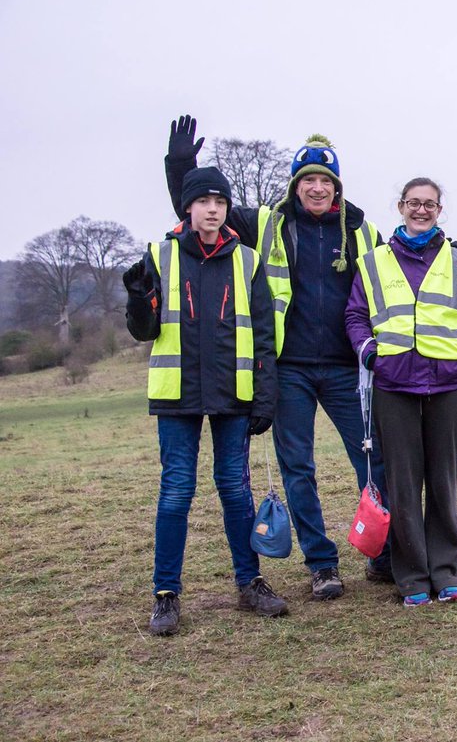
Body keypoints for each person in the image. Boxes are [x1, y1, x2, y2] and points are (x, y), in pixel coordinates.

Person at [164, 116, 387, 600]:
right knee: (298, 467)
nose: (317, 187)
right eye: (308, 179)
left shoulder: (363, 231)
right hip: (290, 369)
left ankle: (381, 552)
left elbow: (394, 279)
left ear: (338, 187)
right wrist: (182, 167)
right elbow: (200, 212)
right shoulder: (265, 222)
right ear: (294, 184)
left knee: (373, 460)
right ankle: (322, 564)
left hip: (349, 370)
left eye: (326, 180)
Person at [124, 166, 286, 636]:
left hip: (234, 396)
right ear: (188, 207)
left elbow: (262, 334)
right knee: (176, 491)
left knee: (236, 490)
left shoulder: (248, 261)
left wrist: (265, 397)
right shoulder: (159, 254)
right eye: (203, 201)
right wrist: (138, 300)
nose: (213, 209)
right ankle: (165, 594)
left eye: (220, 201)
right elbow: (143, 331)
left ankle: (250, 582)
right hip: (177, 397)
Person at [345, 178, 457, 606]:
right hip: (395, 385)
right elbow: (355, 314)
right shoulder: (373, 262)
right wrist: (370, 352)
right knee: (404, 485)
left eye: (430, 204)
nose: (421, 210)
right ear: (400, 207)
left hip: (448, 384)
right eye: (414, 203)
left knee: (444, 483)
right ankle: (410, 577)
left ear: (440, 209)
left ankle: (447, 572)